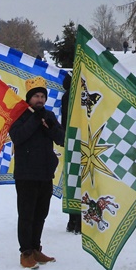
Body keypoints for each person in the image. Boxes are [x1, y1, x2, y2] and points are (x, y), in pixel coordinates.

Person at [9, 76, 65, 269]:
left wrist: (49, 126)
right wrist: (34, 120)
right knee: (26, 214)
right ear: (29, 98)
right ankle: (25, 252)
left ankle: (35, 248)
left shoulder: (48, 115)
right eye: (36, 96)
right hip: (26, 174)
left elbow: (61, 139)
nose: (40, 99)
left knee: (41, 213)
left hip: (44, 173)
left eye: (42, 96)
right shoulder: (20, 115)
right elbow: (17, 136)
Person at [61, 73, 83, 235]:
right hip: (79, 138)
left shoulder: (66, 95)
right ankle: (78, 220)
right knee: (80, 181)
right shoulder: (76, 95)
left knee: (73, 180)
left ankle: (72, 220)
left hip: (70, 138)